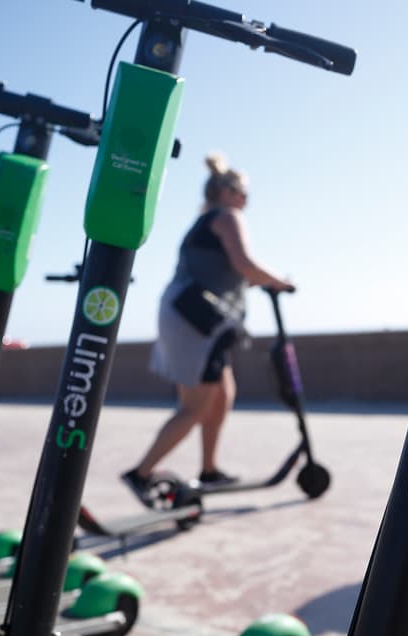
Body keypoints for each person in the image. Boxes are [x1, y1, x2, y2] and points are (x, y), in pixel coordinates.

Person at [122, 154, 294, 501]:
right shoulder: (226, 217)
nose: (247, 200)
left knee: (222, 395)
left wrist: (260, 282)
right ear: (226, 192)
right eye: (242, 192)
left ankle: (210, 471)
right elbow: (245, 264)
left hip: (196, 316)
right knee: (194, 407)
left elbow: (226, 274)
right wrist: (281, 282)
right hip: (195, 320)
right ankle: (140, 474)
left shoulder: (207, 221)